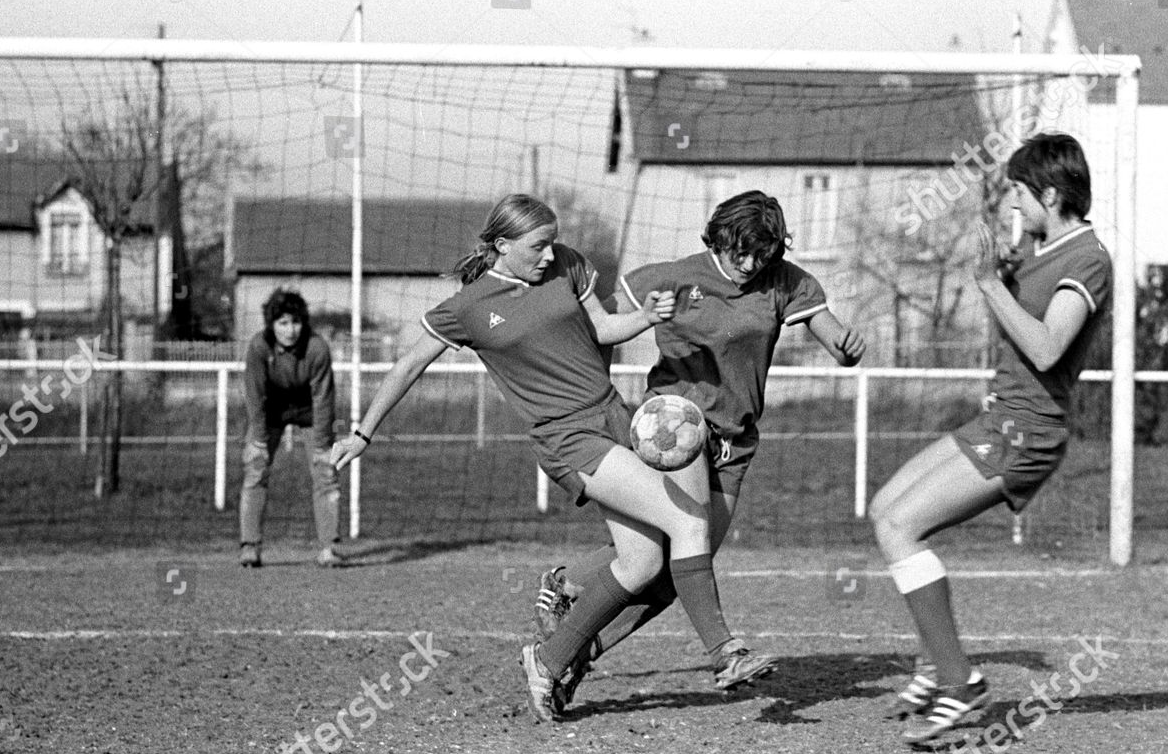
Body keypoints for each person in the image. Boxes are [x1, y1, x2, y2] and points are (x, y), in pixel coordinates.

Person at [331, 193, 743, 725]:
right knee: (689, 521)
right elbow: (408, 365)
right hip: (567, 438)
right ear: (502, 245)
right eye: (537, 245)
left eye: (551, 242)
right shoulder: (469, 307)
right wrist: (363, 432)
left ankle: (548, 660)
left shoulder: (567, 263)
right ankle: (725, 653)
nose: (549, 254)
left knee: (642, 563)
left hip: (613, 416)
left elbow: (600, 330)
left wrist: (644, 317)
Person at [535, 190, 866, 704]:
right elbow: (603, 325)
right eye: (741, 251)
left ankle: (572, 613)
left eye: (764, 253)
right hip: (677, 427)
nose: (750, 264)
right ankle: (725, 652)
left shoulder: (790, 282)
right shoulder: (673, 276)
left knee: (680, 568)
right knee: (685, 548)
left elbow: (835, 338)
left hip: (736, 441)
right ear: (719, 237)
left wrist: (846, 348)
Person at [869, 133, 1111, 746]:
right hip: (999, 418)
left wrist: (990, 284)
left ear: (1052, 195)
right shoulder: (1040, 248)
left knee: (903, 528)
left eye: (1022, 195)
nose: (1014, 207)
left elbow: (1049, 347)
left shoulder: (1087, 259)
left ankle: (960, 683)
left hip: (1027, 433)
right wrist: (1005, 274)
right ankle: (936, 662)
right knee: (884, 512)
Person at [239, 288, 343, 569]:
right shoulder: (259, 348)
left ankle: (329, 547)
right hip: (271, 408)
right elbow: (254, 395)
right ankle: (250, 546)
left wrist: (322, 444)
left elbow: (324, 398)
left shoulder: (317, 348)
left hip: (309, 408)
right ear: (272, 324)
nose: (290, 330)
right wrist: (259, 439)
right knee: (255, 468)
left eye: (295, 322)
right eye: (283, 323)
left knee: (325, 471)